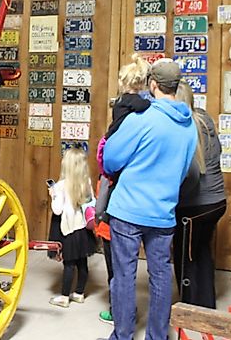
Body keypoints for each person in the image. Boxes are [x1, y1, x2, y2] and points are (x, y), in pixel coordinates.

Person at [101, 59, 198, 340]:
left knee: (124, 276)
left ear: (152, 85)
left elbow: (110, 160)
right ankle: (157, 335)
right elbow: (183, 172)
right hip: (163, 212)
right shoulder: (188, 125)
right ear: (176, 86)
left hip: (128, 210)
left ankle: (123, 335)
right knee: (160, 277)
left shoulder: (140, 119)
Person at [95, 54, 152, 325]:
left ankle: (120, 312)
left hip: (119, 192)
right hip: (145, 193)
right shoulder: (152, 110)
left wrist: (98, 209)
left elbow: (110, 162)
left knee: (116, 262)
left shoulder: (123, 108)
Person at [173, 81, 227, 309]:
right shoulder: (205, 119)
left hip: (195, 206)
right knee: (202, 253)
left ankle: (189, 307)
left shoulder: (183, 127)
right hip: (217, 201)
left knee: (184, 258)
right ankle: (207, 305)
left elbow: (192, 175)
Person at [48, 148, 96, 308]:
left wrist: (53, 194)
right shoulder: (86, 182)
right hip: (82, 229)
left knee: (69, 265)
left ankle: (64, 297)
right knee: (82, 263)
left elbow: (57, 210)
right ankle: (79, 293)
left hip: (68, 230)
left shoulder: (61, 186)